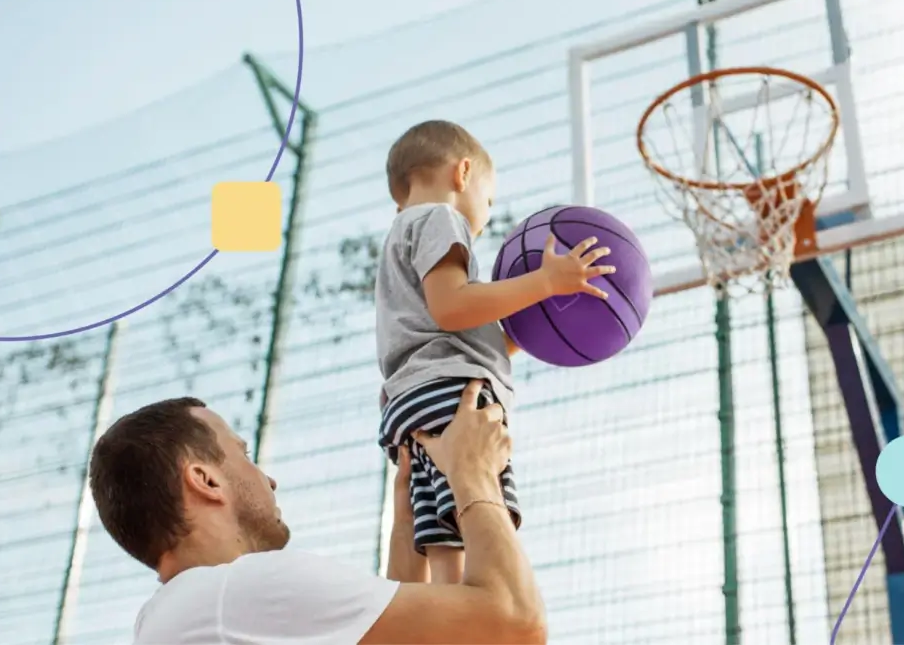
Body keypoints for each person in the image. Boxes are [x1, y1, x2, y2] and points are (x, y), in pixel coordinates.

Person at [88, 380, 547, 644]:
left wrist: (408, 524)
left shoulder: (184, 617)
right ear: (205, 479)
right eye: (243, 454)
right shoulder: (243, 590)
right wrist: (474, 473)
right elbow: (514, 624)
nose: (268, 479)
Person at [376, 120, 616, 583]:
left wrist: (524, 328)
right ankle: (484, 616)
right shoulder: (441, 219)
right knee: (477, 514)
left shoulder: (397, 240)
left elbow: (444, 328)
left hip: (412, 403)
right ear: (463, 173)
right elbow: (452, 308)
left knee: (447, 540)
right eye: (488, 201)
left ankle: (457, 622)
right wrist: (545, 282)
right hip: (452, 398)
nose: (484, 216)